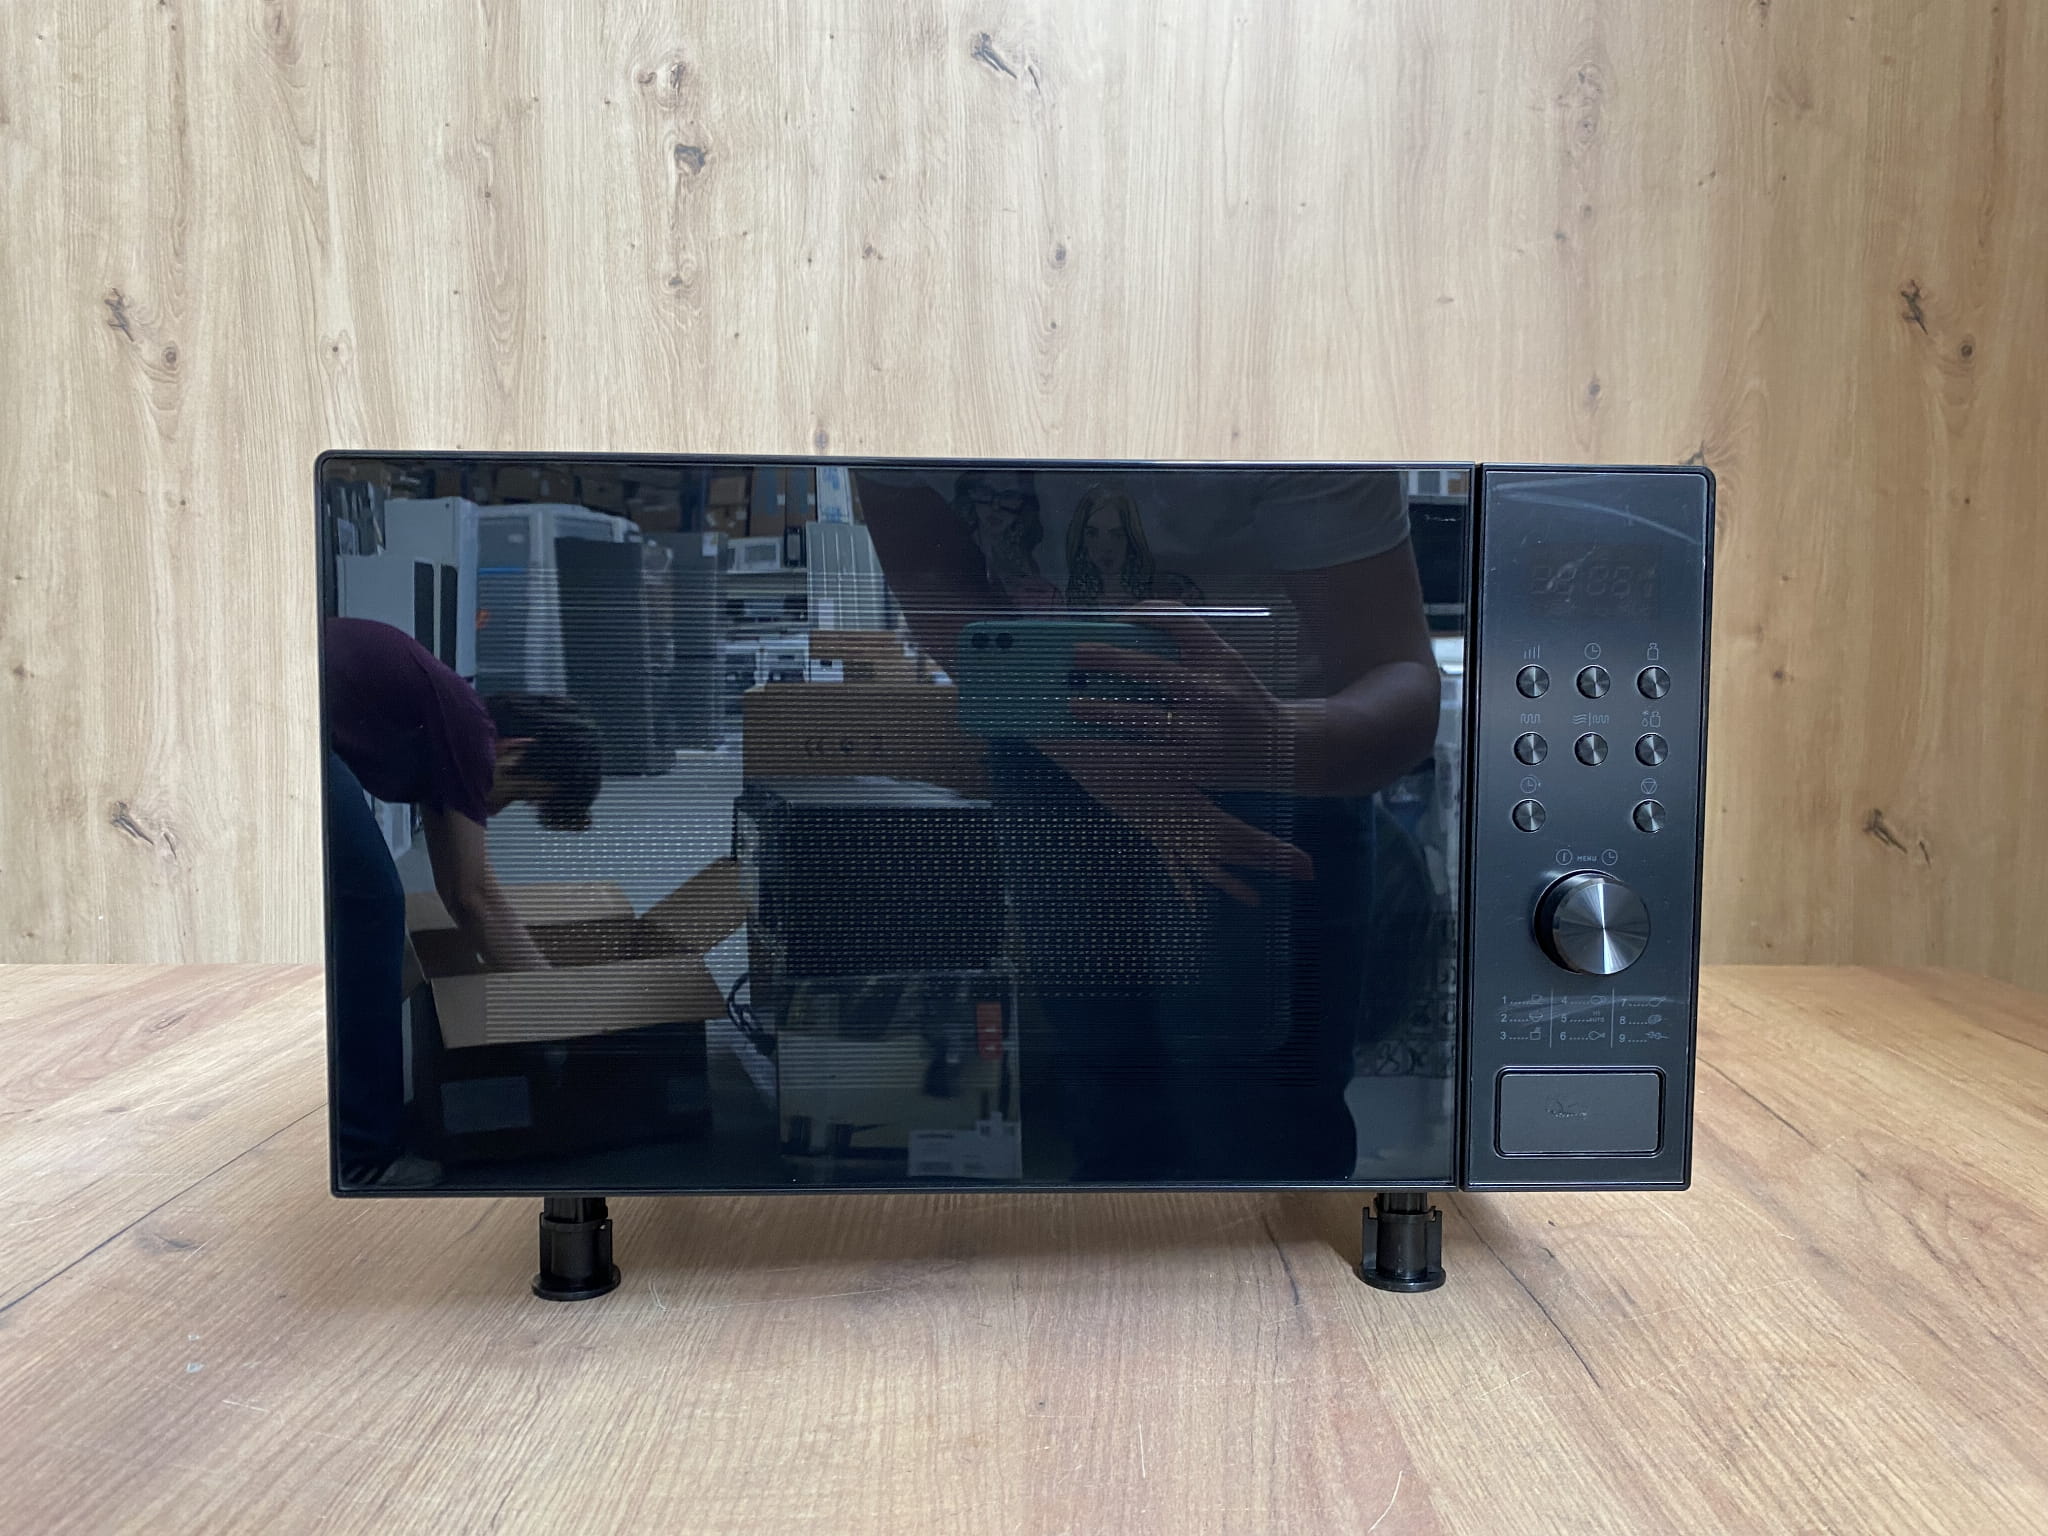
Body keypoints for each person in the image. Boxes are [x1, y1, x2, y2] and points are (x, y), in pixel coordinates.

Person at [857, 467, 1440, 1180]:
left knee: (1241, 1120)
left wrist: (1275, 746)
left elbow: (1402, 685)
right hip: (1078, 744)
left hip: (1235, 748)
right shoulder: (901, 406)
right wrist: (1118, 762)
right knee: (1129, 1103)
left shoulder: (1298, 419)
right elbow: (936, 589)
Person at [322, 616, 603, 1187]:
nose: (499, 809)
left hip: (290, 704)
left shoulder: (451, 736)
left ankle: (346, 1103)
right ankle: (365, 1156)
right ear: (516, 751)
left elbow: (458, 891)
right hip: (284, 709)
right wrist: (563, 1010)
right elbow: (475, 898)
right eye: (520, 794)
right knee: (373, 908)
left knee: (381, 941)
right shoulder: (471, 735)